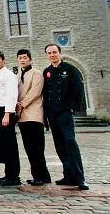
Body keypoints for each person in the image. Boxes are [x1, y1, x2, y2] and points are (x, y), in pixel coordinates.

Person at [43, 44, 88, 190]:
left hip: (65, 113)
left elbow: (78, 89)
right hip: (52, 114)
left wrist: (72, 107)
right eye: (49, 53)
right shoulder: (47, 72)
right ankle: (68, 176)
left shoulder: (70, 69)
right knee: (60, 145)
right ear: (46, 55)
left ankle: (79, 178)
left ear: (59, 53)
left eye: (54, 52)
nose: (52, 55)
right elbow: (45, 93)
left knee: (70, 142)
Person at [16, 49, 51, 186]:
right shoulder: (18, 75)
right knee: (29, 147)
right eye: (20, 58)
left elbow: (35, 92)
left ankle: (40, 176)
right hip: (22, 116)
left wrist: (22, 104)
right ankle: (41, 175)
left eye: (25, 57)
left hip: (34, 114)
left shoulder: (36, 73)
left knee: (37, 147)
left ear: (30, 59)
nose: (22, 60)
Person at [0, 50, 20, 186]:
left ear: (3, 60)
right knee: (3, 143)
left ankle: (13, 176)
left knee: (9, 143)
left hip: (6, 111)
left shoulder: (8, 75)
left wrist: (7, 114)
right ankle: (8, 174)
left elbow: (11, 95)